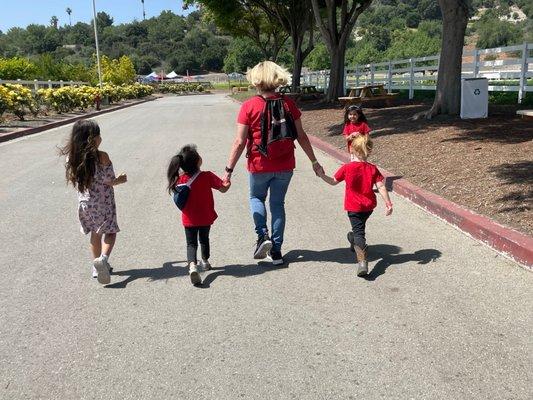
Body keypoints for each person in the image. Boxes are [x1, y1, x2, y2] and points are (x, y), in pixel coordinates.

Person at [223, 61, 324, 266]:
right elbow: (301, 136)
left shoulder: (249, 106)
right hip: (285, 164)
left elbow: (240, 142)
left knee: (256, 198)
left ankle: (263, 237)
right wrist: (314, 161)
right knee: (278, 204)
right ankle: (276, 251)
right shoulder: (289, 104)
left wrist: (228, 170)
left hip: (259, 164)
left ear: (256, 80)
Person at [60, 119, 127, 284]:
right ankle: (103, 260)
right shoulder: (102, 156)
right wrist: (121, 179)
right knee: (110, 232)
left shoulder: (72, 158)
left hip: (86, 204)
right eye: (98, 136)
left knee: (95, 234)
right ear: (92, 139)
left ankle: (96, 268)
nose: (101, 139)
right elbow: (110, 180)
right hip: (103, 202)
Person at [318, 135, 393, 277]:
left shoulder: (347, 168)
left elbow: (333, 181)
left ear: (352, 150)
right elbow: (381, 186)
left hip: (353, 207)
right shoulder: (372, 169)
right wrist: (388, 203)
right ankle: (353, 239)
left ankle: (362, 261)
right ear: (369, 151)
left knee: (359, 233)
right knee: (358, 228)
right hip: (368, 207)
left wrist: (322, 175)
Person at [167, 144, 230, 286]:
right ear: (198, 161)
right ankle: (205, 261)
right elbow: (223, 189)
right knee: (204, 239)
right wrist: (227, 181)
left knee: (191, 243)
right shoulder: (207, 176)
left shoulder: (180, 179)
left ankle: (192, 266)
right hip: (205, 217)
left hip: (189, 219)